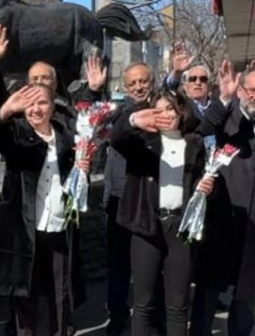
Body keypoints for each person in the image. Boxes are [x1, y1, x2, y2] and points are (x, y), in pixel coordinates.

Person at [189, 61, 255, 336]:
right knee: (208, 290)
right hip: (222, 218)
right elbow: (198, 131)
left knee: (246, 294)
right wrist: (223, 98)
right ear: (241, 91)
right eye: (251, 90)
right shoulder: (224, 120)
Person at [0, 83, 88, 336]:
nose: (36, 109)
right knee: (25, 299)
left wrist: (82, 164)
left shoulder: (64, 135)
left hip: (59, 227)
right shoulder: (16, 133)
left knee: (60, 296)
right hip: (25, 230)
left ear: (53, 106)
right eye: (30, 104)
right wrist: (5, 110)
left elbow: (90, 125)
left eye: (42, 103)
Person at [111, 89, 210, 336]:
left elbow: (204, 182)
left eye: (171, 109)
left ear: (181, 112)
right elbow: (117, 138)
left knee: (177, 306)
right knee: (143, 303)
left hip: (181, 227)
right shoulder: (141, 142)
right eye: (159, 109)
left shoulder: (194, 143)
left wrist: (207, 189)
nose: (166, 114)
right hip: (146, 225)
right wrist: (134, 120)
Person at [102, 62, 155, 335]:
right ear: (125, 86)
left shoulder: (162, 109)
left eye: (143, 81)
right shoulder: (119, 114)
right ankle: (118, 315)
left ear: (152, 81)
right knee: (119, 264)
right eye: (133, 83)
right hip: (119, 196)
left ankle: (150, 316)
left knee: (150, 262)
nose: (138, 87)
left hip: (150, 197)